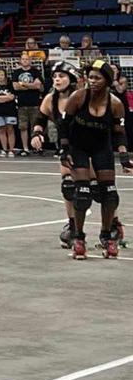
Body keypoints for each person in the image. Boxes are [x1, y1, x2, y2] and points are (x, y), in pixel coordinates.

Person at [58, 59, 130, 259]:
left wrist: (123, 156)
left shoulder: (115, 104)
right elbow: (64, 124)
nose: (93, 81)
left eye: (98, 78)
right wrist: (64, 150)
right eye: (90, 78)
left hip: (101, 148)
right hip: (78, 147)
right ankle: (78, 237)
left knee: (110, 194)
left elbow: (119, 133)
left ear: (107, 80)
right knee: (81, 193)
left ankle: (107, 236)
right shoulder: (79, 97)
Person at [31, 61, 83, 248]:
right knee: (68, 187)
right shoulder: (50, 99)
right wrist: (37, 134)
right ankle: (73, 226)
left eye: (61, 76)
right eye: (54, 77)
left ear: (72, 79)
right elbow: (40, 119)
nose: (57, 80)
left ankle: (113, 225)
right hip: (66, 147)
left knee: (100, 189)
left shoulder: (81, 97)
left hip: (88, 145)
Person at [11, 54, 44, 155]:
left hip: (34, 103)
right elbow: (15, 87)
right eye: (23, 59)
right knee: (23, 127)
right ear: (20, 61)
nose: (25, 61)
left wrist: (23, 84)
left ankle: (37, 147)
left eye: (27, 59)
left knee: (35, 126)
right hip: (22, 104)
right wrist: (31, 85)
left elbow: (38, 85)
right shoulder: (16, 72)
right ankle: (25, 148)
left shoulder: (35, 72)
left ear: (30, 60)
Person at [0, 68, 17, 157]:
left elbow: (12, 97)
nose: (1, 77)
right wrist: (5, 98)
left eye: (2, 75)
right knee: (1, 130)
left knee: (10, 130)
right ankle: (4, 149)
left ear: (5, 76)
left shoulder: (10, 85)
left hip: (10, 111)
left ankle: (11, 150)